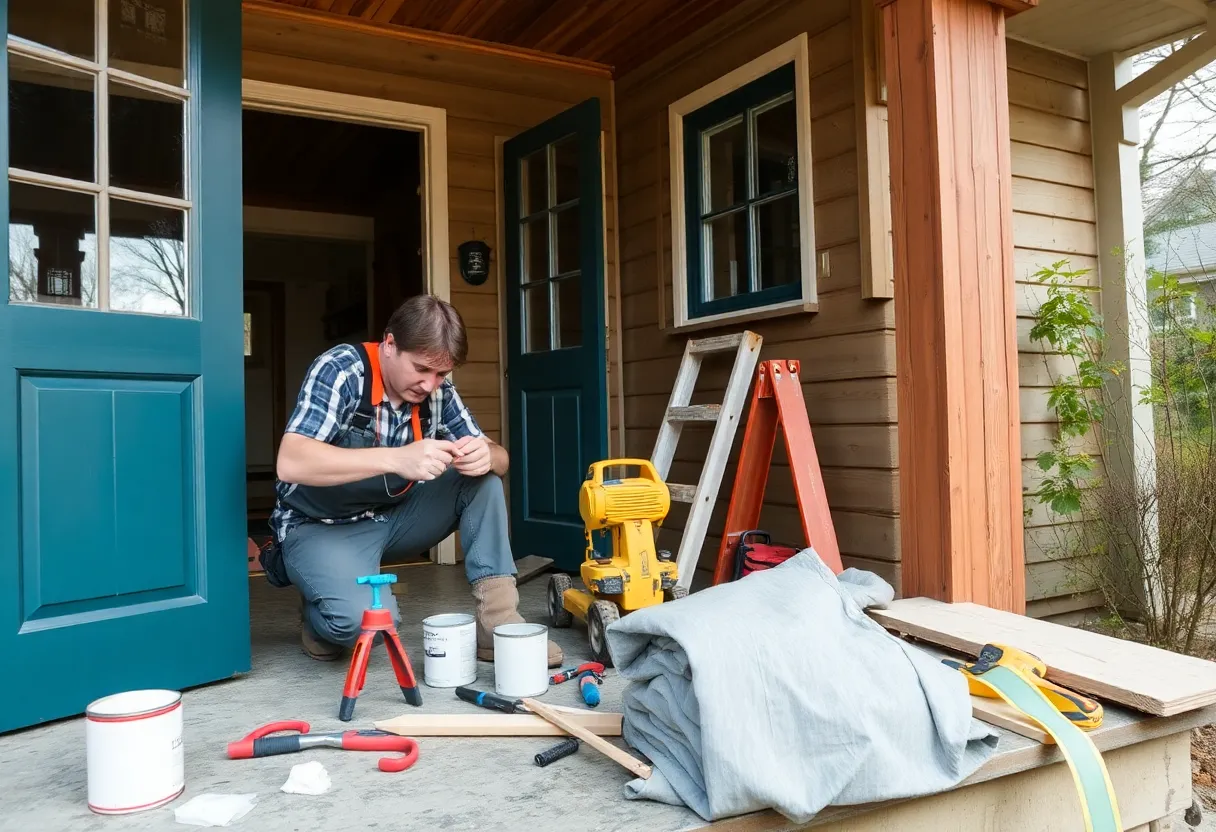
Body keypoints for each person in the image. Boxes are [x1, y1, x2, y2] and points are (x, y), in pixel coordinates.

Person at [259, 293, 563, 667]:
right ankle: (317, 612)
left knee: (482, 482)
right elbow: (291, 462)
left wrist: (489, 456)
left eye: (442, 374)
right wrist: (397, 458)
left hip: (393, 519)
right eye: (421, 369)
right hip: (320, 527)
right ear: (389, 344)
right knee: (367, 626)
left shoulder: (437, 392)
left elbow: (500, 458)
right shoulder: (341, 371)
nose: (430, 385)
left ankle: (497, 625)